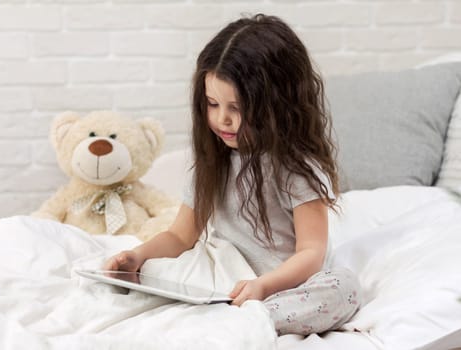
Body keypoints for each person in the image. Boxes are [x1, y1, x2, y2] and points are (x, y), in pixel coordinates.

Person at [103, 13, 361, 336]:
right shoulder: (215, 159)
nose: (222, 120)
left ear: (278, 106)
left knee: (344, 288)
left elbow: (311, 252)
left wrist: (263, 287)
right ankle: (224, 311)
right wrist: (137, 257)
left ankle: (248, 317)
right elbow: (181, 237)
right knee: (152, 271)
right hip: (221, 277)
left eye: (236, 108)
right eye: (212, 104)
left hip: (282, 287)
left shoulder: (296, 168)